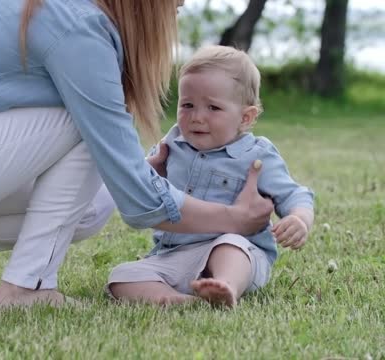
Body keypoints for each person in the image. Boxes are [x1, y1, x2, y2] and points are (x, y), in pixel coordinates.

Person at [0, 0, 274, 309]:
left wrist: (133, 173)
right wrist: (233, 220)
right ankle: (25, 289)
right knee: (85, 125)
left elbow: (109, 187)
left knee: (88, 210)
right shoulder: (79, 23)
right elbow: (140, 201)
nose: (181, 4)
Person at [106, 45, 315, 308]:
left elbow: (296, 194)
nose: (197, 117)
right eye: (187, 105)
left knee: (231, 244)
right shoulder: (173, 144)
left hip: (239, 254)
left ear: (246, 117)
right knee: (122, 276)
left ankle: (226, 286)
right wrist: (153, 167)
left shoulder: (257, 155)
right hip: (175, 255)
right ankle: (181, 301)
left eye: (213, 108)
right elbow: (142, 183)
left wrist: (299, 219)